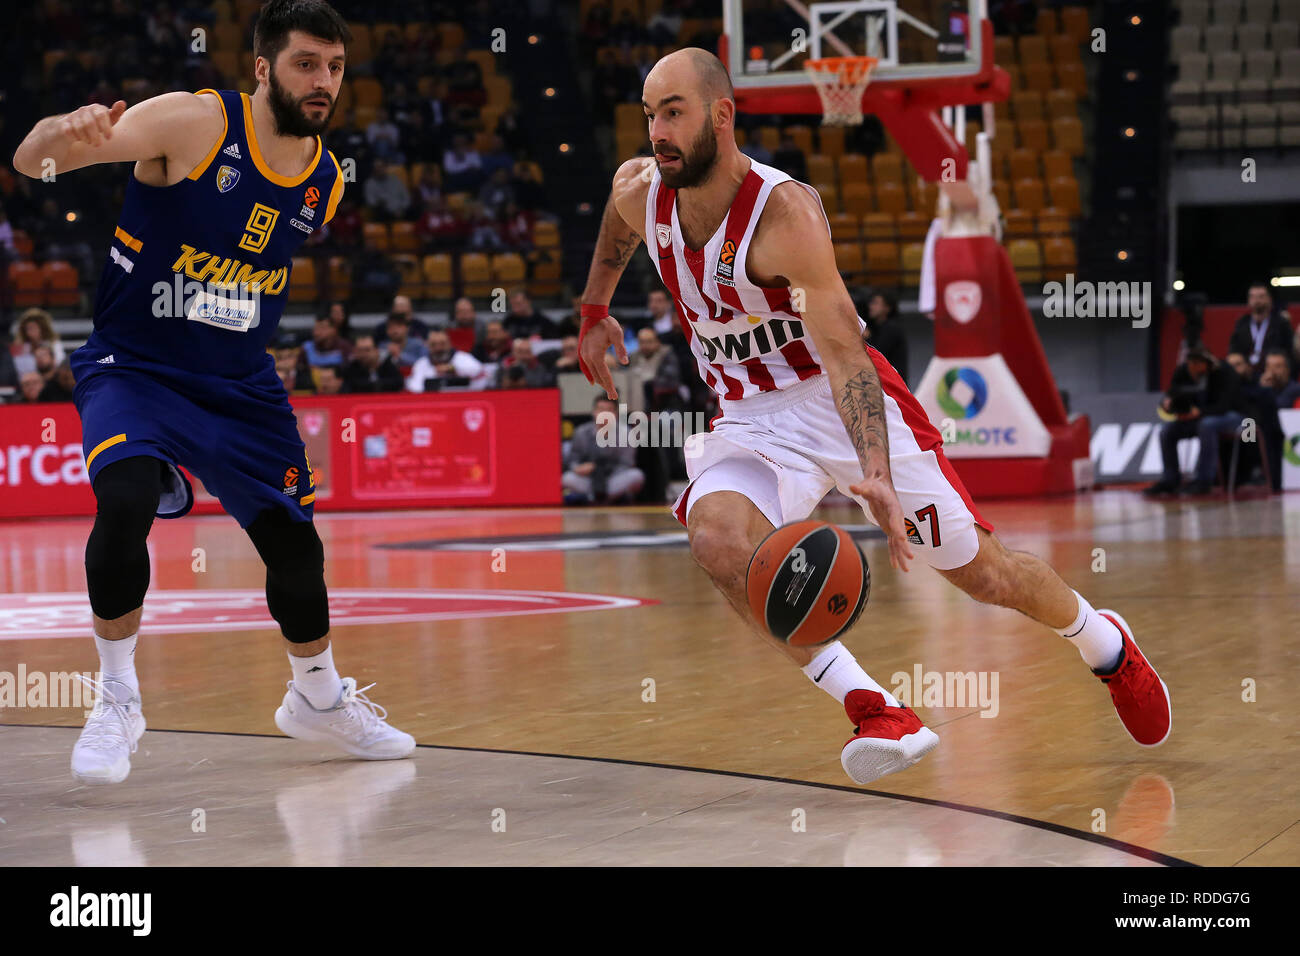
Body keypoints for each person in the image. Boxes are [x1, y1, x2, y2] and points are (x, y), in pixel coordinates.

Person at [576, 48, 1171, 786]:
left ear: (721, 116)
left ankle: (1103, 641)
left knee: (985, 575)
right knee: (721, 541)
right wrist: (595, 308)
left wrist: (878, 476)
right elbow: (616, 227)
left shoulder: (784, 215)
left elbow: (847, 359)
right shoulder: (641, 189)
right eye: (648, 114)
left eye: (674, 112)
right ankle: (877, 710)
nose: (657, 131)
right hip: (750, 417)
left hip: (838, 397)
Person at [11, 0, 413, 785]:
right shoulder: (195, 125)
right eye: (306, 63)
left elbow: (242, 278)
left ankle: (317, 699)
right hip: (134, 365)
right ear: (263, 67)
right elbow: (33, 160)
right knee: (125, 498)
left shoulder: (325, 181)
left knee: (295, 547)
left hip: (240, 383)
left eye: (334, 66)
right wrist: (69, 129)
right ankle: (118, 697)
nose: (324, 80)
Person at [1143, 345, 1255, 496]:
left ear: (1207, 363)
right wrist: (1167, 404)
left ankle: (1204, 481)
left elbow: (1224, 406)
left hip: (1236, 416)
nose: (1194, 367)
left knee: (1207, 425)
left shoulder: (1224, 372)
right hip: (1200, 418)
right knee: (1167, 431)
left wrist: (1199, 412)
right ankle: (1170, 480)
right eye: (1191, 363)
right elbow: (1171, 395)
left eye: (1198, 363)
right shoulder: (1183, 371)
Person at [562, 396, 646, 504]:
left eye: (609, 410)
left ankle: (598, 497)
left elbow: (627, 463)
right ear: (594, 412)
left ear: (615, 414)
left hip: (613, 480)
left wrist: (602, 470)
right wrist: (579, 468)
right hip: (588, 480)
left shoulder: (627, 433)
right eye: (601, 409)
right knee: (567, 478)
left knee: (636, 476)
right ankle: (599, 497)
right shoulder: (581, 432)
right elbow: (573, 460)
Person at [1227, 283, 1292, 373]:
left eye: (1261, 296)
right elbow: (1234, 351)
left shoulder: (1280, 323)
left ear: (1270, 299)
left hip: (1272, 372)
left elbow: (1288, 352)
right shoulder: (1242, 323)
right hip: (1246, 373)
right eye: (1253, 297)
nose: (1257, 300)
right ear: (1248, 300)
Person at [406, 328, 486, 391]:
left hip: (463, 401)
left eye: (442, 343)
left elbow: (478, 370)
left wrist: (452, 369)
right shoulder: (421, 364)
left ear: (449, 343)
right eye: (433, 345)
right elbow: (415, 387)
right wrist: (434, 373)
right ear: (427, 346)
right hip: (434, 403)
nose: (438, 348)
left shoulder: (462, 357)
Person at [862, 289, 908, 384]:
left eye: (875, 303)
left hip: (893, 385)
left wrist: (867, 338)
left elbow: (877, 354)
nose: (871, 307)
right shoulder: (877, 328)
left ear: (887, 308)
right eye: (871, 303)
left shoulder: (891, 329)